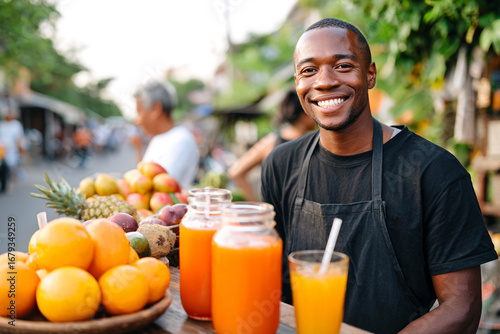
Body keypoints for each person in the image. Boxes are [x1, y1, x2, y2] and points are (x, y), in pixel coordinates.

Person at [261, 17, 497, 334]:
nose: (325, 81)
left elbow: (462, 308)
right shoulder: (281, 164)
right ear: (297, 83)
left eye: (343, 66)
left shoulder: (434, 172)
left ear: (370, 74)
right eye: (309, 70)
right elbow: (269, 282)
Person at [228, 89, 316, 201]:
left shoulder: (271, 141)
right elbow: (235, 172)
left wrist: (258, 208)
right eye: (313, 109)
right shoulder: (310, 143)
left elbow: (236, 172)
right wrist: (258, 208)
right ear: (304, 113)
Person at [133, 80, 199, 190]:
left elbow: (158, 187)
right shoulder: (157, 139)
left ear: (156, 109)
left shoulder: (181, 139)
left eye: (139, 111)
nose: (137, 121)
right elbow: (142, 177)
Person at [0, 109, 26, 193]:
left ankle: (9, 183)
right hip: (2, 150)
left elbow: (19, 139)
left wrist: (20, 151)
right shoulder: (2, 124)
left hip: (12, 151)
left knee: (11, 168)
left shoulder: (16, 125)